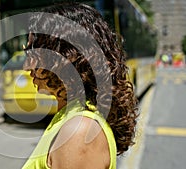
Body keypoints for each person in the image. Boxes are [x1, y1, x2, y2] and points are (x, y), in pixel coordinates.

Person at [22, 3, 138, 169]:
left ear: (64, 57)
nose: (26, 66)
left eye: (32, 53)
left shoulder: (80, 131)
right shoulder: (69, 116)